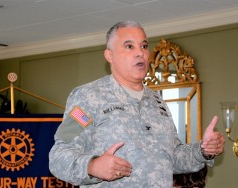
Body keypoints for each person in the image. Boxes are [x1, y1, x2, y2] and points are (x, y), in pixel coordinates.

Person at [49, 20, 225, 187]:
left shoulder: (157, 102)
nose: (139, 52)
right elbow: (58, 157)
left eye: (144, 46)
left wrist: (203, 150)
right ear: (109, 55)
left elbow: (173, 157)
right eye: (129, 46)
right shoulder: (88, 97)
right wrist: (92, 166)